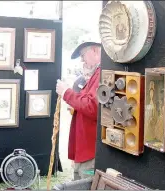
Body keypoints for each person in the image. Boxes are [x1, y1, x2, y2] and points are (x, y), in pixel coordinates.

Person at [55, 40, 101, 181]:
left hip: (90, 150)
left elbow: (93, 108)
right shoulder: (95, 75)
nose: (82, 60)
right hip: (84, 148)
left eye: (83, 55)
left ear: (94, 50)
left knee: (84, 182)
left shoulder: (101, 74)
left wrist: (66, 93)